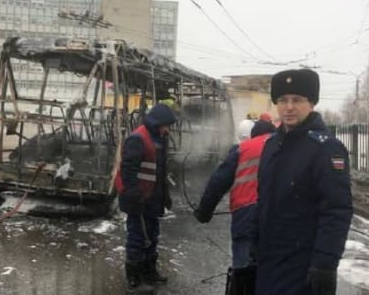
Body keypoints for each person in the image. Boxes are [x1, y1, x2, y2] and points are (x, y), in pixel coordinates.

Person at [251, 69, 353, 295]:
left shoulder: (326, 149)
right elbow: (264, 198)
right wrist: (255, 239)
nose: (289, 107)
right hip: (269, 260)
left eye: (297, 100)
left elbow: (337, 209)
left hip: (304, 266)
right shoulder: (271, 145)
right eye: (282, 100)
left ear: (312, 103)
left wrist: (325, 264)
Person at [193, 115, 276, 295]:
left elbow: (218, 181)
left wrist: (204, 212)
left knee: (244, 272)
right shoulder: (288, 147)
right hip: (278, 219)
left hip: (246, 216)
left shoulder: (243, 148)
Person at [115, 103, 177, 292]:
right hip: (139, 198)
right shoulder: (138, 138)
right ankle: (134, 274)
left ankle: (149, 271)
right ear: (158, 122)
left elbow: (161, 170)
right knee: (137, 236)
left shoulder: (160, 138)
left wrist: (165, 196)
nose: (168, 129)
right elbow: (128, 170)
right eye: (166, 125)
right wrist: (134, 195)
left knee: (152, 235)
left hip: (153, 197)